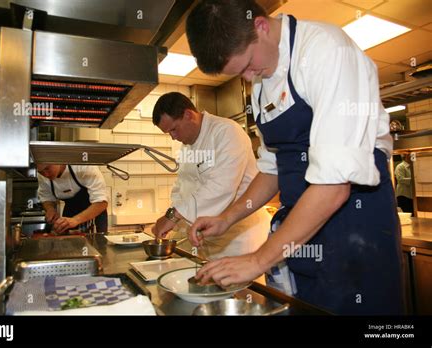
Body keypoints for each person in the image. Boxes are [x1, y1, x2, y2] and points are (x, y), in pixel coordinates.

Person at [185, 0, 404, 314]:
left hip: (354, 225)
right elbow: (273, 168)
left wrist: (258, 259)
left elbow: (334, 184)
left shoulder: (326, 51)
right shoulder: (262, 83)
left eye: (247, 65)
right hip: (302, 226)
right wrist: (227, 217)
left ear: (261, 25)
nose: (248, 78)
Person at [151, 92, 270, 259]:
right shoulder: (187, 146)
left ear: (188, 115)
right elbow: (182, 185)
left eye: (173, 129)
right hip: (207, 239)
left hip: (238, 240)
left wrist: (173, 215)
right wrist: (172, 220)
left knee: (239, 286)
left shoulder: (227, 132)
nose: (173, 137)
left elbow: (221, 186)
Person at [37, 164, 108, 234]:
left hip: (94, 211)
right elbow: (46, 196)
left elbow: (101, 202)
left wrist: (76, 220)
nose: (45, 174)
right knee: (70, 243)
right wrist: (50, 209)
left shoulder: (84, 166)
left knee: (96, 243)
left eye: (47, 168)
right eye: (41, 172)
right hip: (70, 211)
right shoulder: (42, 176)